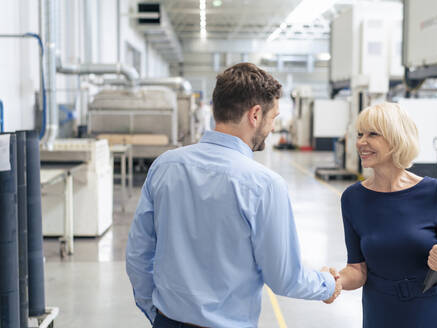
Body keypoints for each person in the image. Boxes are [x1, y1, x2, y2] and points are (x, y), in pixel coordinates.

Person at [126, 63, 342, 328]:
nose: (272, 128)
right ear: (255, 115)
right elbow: (286, 278)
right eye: (272, 118)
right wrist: (328, 284)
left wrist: (156, 312)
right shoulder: (265, 185)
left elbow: (138, 254)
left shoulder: (165, 166)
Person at [337, 102, 437, 328]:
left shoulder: (434, 192)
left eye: (372, 134)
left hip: (432, 311)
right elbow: (357, 270)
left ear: (396, 139)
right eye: (360, 134)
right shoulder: (352, 199)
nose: (361, 142)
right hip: (382, 312)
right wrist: (332, 281)